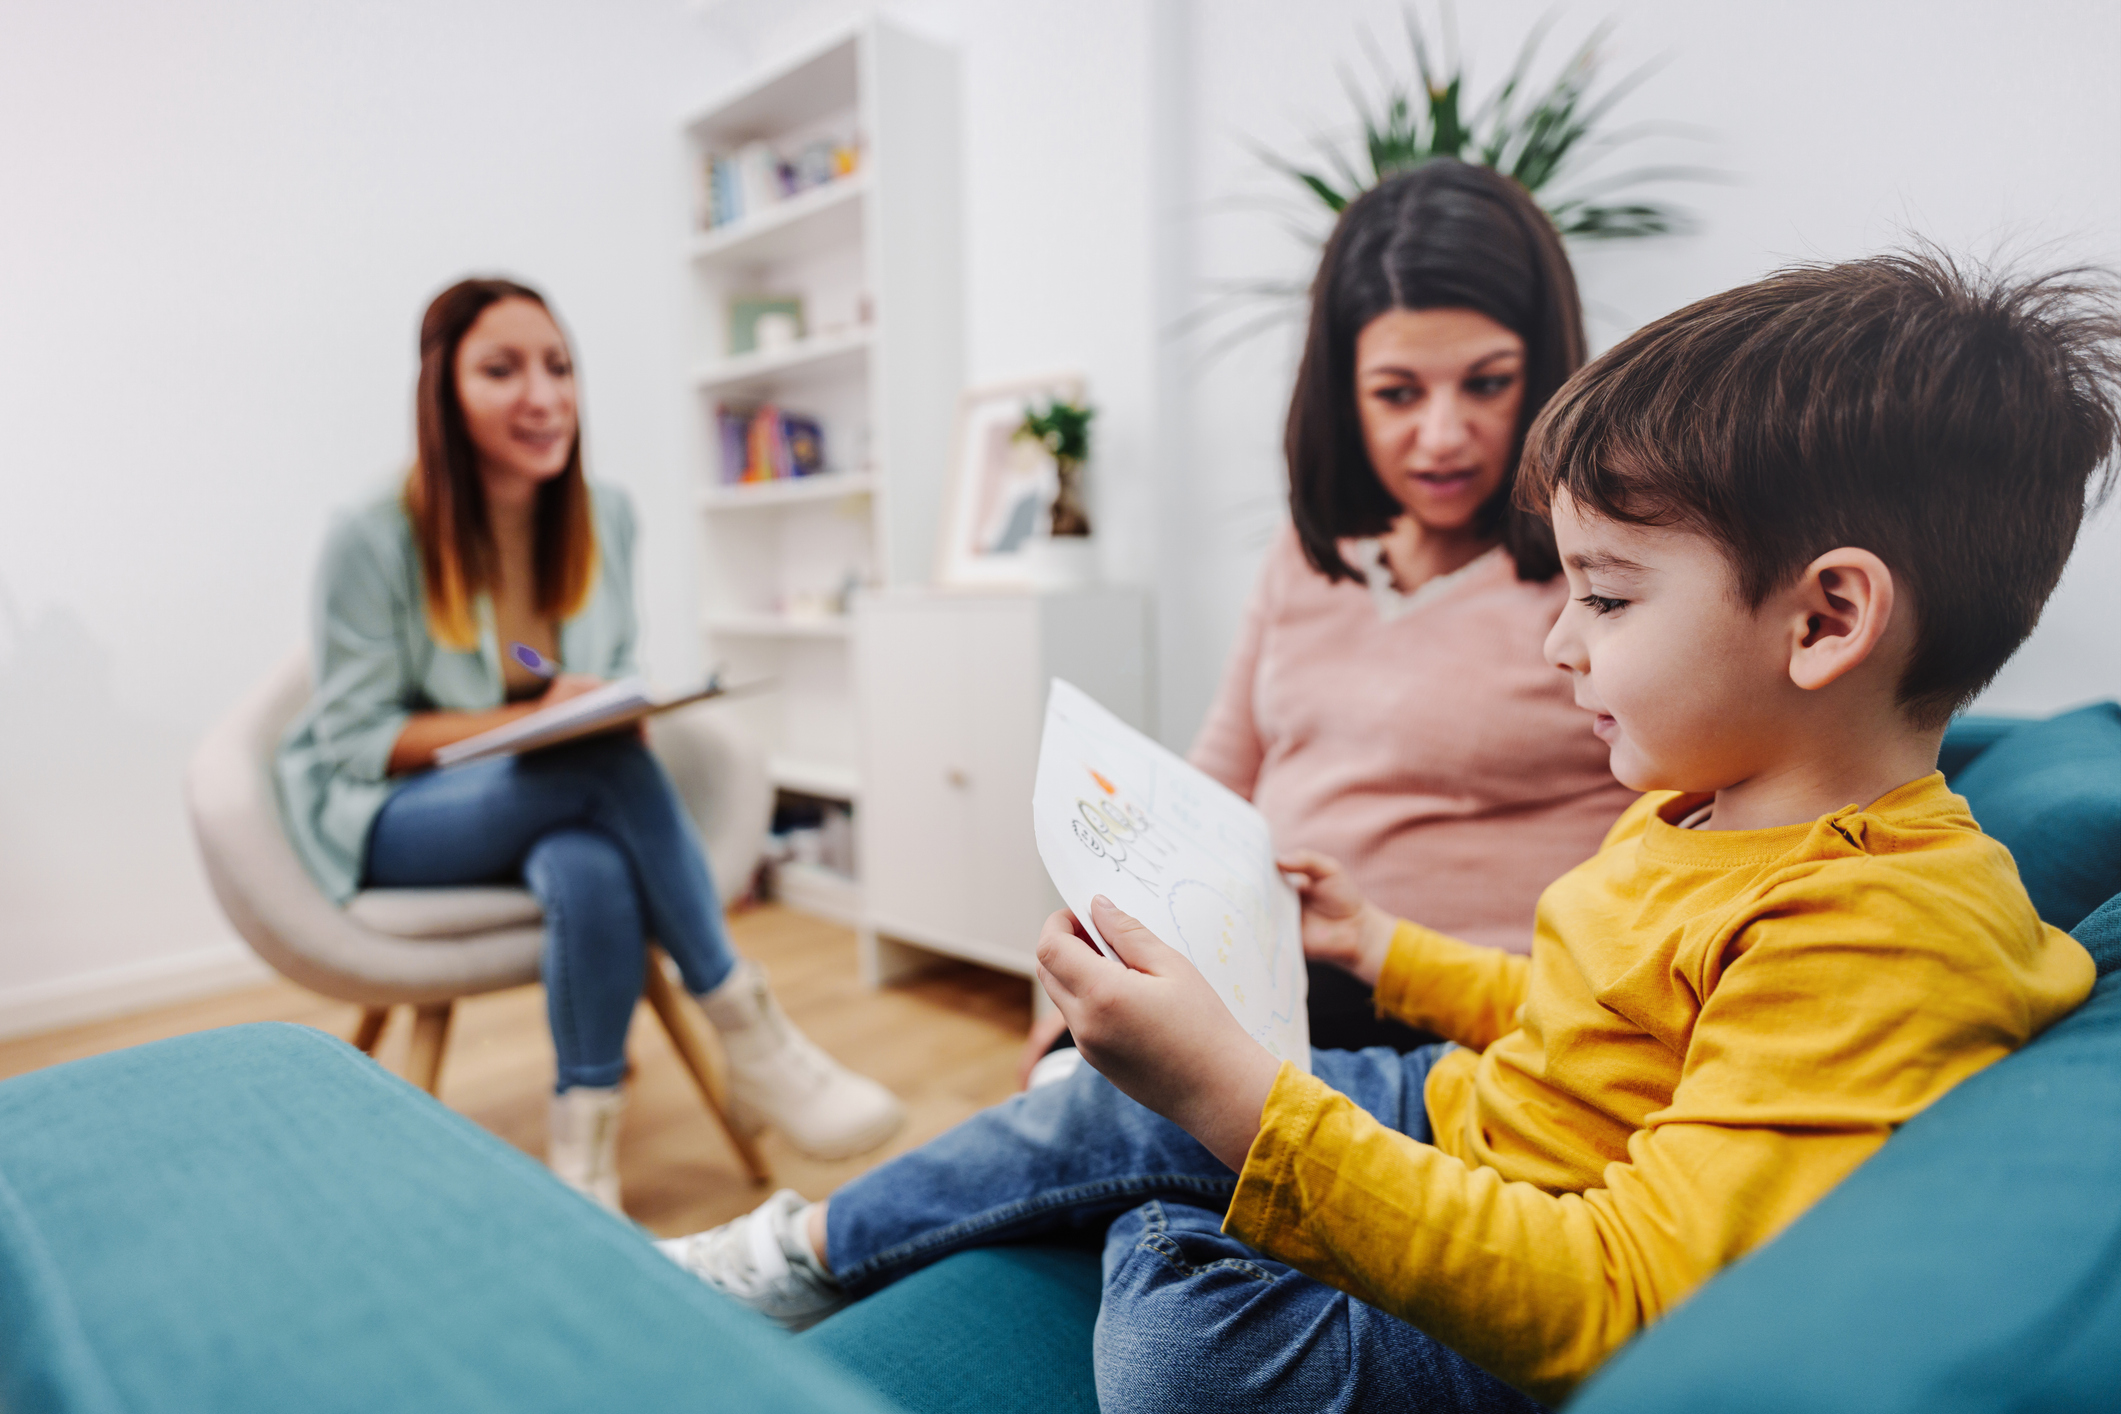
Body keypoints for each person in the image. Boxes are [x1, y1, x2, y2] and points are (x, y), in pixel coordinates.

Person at [661, 250, 2112, 1410]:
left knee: (1183, 1329)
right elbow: (1582, 1014)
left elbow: (1620, 1295)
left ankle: (1155, 1208)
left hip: (1549, 1236)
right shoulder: (1707, 802)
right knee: (1105, 1105)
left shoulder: (1871, 931)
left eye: (1604, 597)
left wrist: (1243, 1109)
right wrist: (1388, 949)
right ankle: (794, 1251)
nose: (1558, 643)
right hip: (1489, 1118)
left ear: (1825, 619)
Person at [276, 277, 901, 1212]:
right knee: (594, 764)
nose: (543, 394)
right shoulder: (370, 535)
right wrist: (543, 725)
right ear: (441, 393)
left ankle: (585, 1163)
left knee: (589, 864)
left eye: (558, 366)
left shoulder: (604, 517)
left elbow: (605, 672)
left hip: (551, 801)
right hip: (393, 816)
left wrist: (612, 705)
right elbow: (359, 739)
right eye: (501, 369)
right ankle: (751, 1031)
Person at [1023, 159, 1631, 1079]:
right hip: (1267, 971)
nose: (1440, 435)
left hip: (1465, 1003)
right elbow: (1219, 775)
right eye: (1396, 394)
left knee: (1108, 1123)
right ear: (1342, 393)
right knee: (1073, 1078)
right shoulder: (1310, 555)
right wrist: (1109, 941)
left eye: (1487, 384)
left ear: (1543, 373)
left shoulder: (1609, 574)